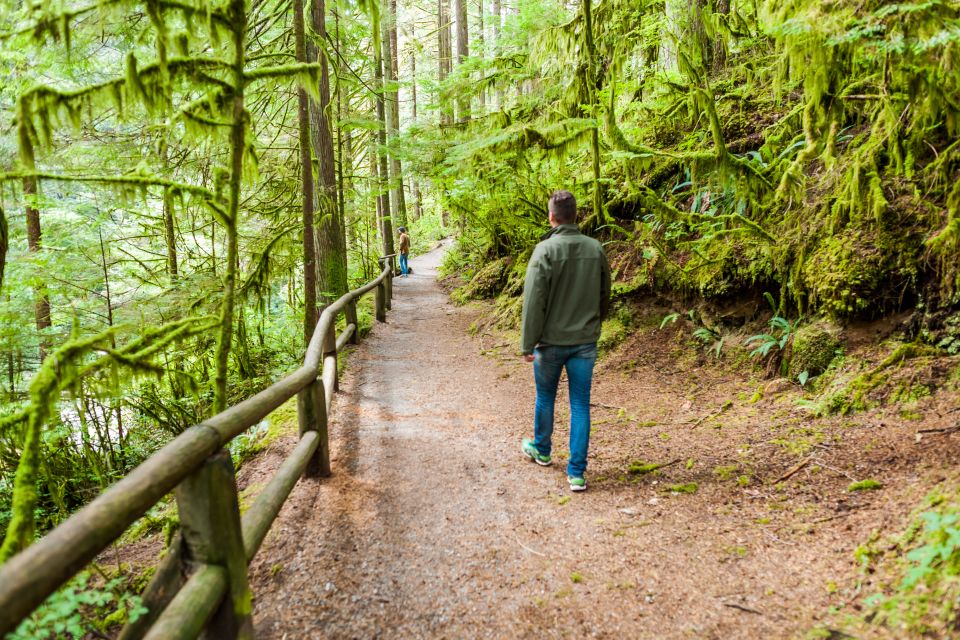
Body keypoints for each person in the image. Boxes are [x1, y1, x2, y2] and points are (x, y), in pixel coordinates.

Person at [520, 190, 611, 492]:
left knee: (545, 397)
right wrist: (595, 322)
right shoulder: (595, 248)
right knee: (580, 404)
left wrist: (527, 343)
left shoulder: (544, 251)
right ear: (576, 216)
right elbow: (604, 295)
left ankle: (542, 450)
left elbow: (534, 301)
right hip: (585, 342)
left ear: (552, 217)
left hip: (549, 343)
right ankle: (576, 473)